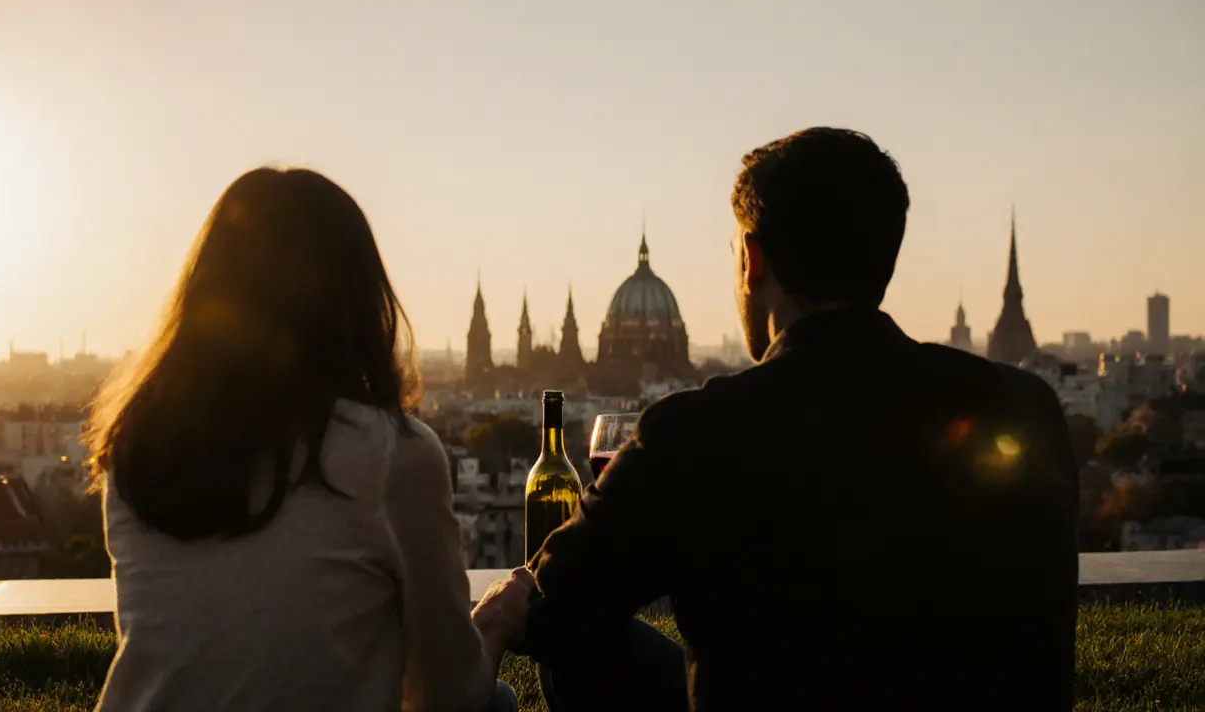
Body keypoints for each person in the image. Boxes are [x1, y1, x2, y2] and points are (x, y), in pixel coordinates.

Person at [482, 128, 1079, 711]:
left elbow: (557, 610)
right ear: (885, 257)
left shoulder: (694, 432)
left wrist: (510, 603)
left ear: (752, 258)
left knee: (579, 652)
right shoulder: (1026, 408)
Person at [89, 167, 527, 712]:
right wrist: (498, 618)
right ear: (359, 301)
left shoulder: (138, 445)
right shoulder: (391, 453)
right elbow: (448, 696)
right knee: (499, 703)